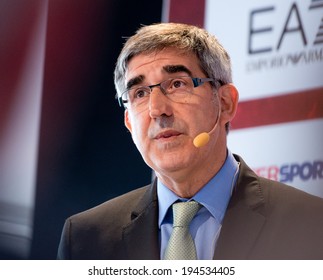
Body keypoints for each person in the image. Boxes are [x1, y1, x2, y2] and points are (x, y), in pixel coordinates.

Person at [57, 22, 323, 260]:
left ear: (225, 103)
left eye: (177, 84)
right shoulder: (84, 239)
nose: (157, 109)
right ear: (129, 123)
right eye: (139, 93)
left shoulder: (309, 223)